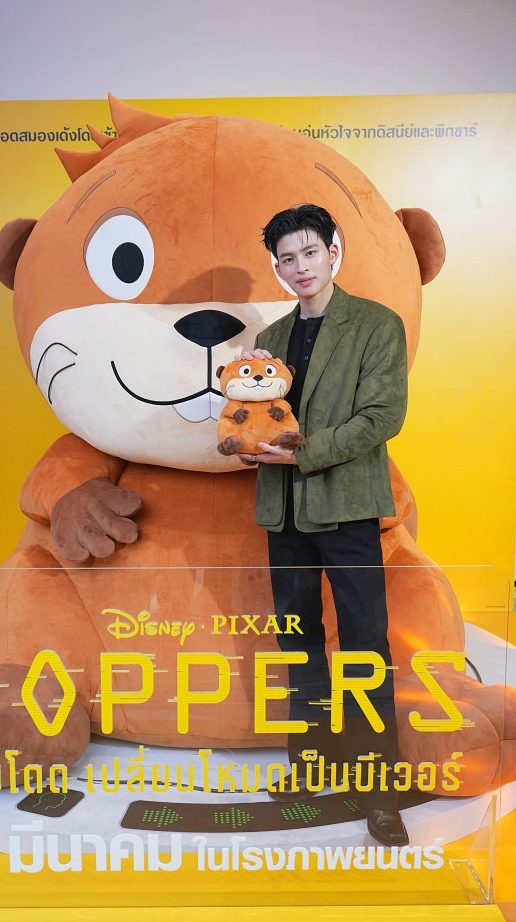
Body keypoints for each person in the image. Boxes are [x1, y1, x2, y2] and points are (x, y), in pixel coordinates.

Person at [240, 203, 409, 847]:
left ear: (333, 252)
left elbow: (382, 416)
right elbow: (260, 415)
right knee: (298, 640)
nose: (300, 267)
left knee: (365, 643)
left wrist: (302, 453)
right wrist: (249, 440)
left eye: (310, 252)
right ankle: (310, 766)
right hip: (282, 511)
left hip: (347, 507)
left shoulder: (376, 324)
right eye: (287, 258)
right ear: (278, 268)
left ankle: (378, 787)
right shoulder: (273, 336)